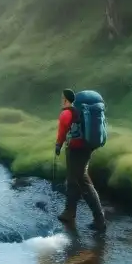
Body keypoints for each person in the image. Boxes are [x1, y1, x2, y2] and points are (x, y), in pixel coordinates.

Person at [55, 89, 107, 232]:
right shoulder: (88, 110)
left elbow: (62, 131)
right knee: (73, 178)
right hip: (88, 146)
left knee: (82, 180)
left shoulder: (68, 112)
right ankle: (69, 212)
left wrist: (58, 145)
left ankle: (99, 219)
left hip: (76, 148)